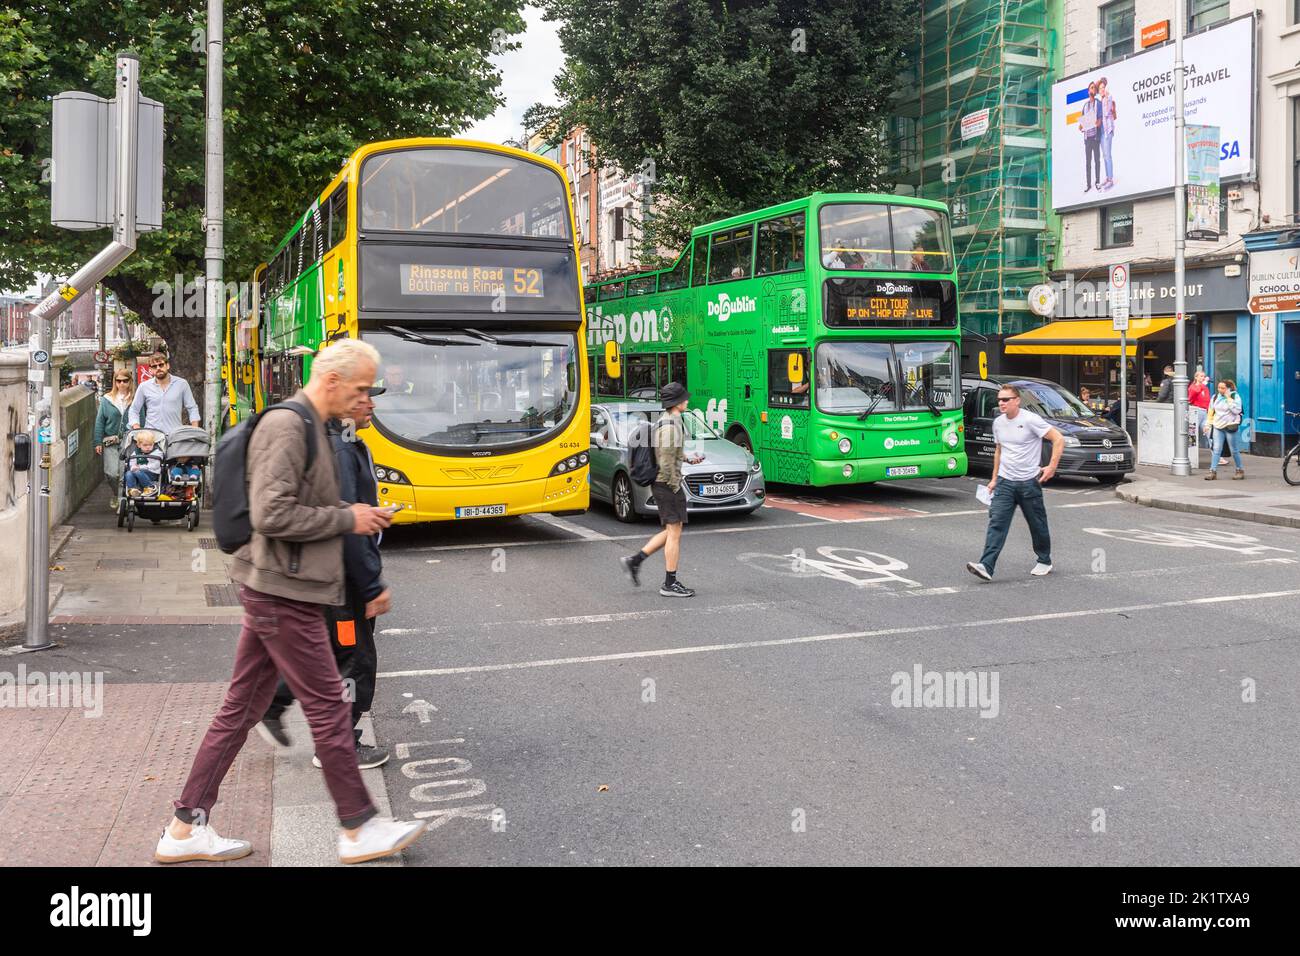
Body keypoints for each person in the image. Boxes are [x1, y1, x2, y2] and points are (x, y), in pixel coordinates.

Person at [155, 338, 428, 865]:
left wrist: (358, 515)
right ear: (331, 382)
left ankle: (184, 827)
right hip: (284, 590)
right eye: (360, 389)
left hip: (278, 586)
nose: (365, 399)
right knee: (328, 706)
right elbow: (272, 515)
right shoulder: (289, 426)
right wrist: (349, 518)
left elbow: (302, 506)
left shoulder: (318, 428)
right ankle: (358, 827)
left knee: (241, 710)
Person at [258, 386, 393, 770]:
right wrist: (371, 586)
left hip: (325, 572)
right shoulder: (340, 447)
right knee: (354, 659)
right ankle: (338, 746)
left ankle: (272, 702)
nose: (373, 404)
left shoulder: (336, 440)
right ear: (347, 403)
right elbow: (348, 522)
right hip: (343, 580)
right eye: (366, 396)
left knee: (325, 651)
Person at [967, 384, 1065, 581]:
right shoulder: (998, 423)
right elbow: (999, 450)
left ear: (1017, 401)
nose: (1001, 403)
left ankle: (1044, 559)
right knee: (997, 523)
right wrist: (994, 479)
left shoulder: (1030, 420)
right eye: (999, 400)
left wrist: (1051, 467)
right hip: (1005, 482)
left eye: (1006, 400)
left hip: (1029, 482)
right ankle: (986, 565)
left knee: (1037, 524)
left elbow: (1058, 438)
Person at [619, 381, 704, 598]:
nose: (687, 400)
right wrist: (675, 485)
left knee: (671, 531)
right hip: (667, 484)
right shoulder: (669, 426)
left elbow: (669, 452)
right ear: (677, 402)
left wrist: (687, 459)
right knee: (674, 533)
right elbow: (665, 460)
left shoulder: (669, 421)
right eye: (684, 398)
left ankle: (635, 561)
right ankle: (669, 583)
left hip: (665, 483)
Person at [128, 352, 201, 435]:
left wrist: (195, 430)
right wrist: (138, 430)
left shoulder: (182, 384)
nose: (158, 368)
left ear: (167, 365)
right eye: (154, 366)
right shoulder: (144, 386)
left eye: (161, 365)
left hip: (174, 435)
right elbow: (134, 409)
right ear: (151, 370)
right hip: (151, 437)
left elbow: (192, 407)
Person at [94, 370, 135, 510]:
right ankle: (115, 493)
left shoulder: (135, 398)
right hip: (111, 441)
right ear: (115, 382)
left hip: (130, 442)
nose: (122, 384)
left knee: (124, 473)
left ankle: (121, 501)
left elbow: (142, 418)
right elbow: (100, 421)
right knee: (111, 473)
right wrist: (97, 442)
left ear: (130, 382)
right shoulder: (107, 399)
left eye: (125, 381)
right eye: (118, 381)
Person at [1203, 379, 1245, 480]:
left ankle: (1240, 470)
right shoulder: (1215, 397)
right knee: (1216, 449)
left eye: (1223, 388)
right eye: (1219, 388)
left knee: (1234, 450)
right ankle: (1212, 471)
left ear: (1229, 389)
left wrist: (1228, 398)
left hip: (1230, 426)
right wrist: (1207, 425)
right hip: (1218, 426)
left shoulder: (1235, 396)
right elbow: (1211, 412)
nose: (1220, 390)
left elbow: (1236, 410)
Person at [123, 431, 163, 498]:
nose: (148, 447)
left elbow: (155, 465)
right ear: (139, 445)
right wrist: (133, 467)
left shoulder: (157, 452)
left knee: (137, 471)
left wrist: (140, 467)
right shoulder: (136, 452)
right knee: (128, 473)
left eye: (150, 445)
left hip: (152, 473)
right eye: (145, 445)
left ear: (153, 444)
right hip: (138, 473)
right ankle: (133, 490)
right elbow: (132, 462)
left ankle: (150, 487)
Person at [1079, 81, 1103, 193]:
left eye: (1094, 88)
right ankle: (1088, 184)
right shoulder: (1085, 105)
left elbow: (1100, 119)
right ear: (1088, 91)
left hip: (1095, 137)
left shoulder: (1098, 103)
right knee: (1088, 162)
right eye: (1091, 88)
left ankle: (1097, 182)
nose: (1093, 90)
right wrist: (1081, 127)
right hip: (1087, 138)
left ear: (1095, 91)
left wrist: (1097, 123)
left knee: (1097, 161)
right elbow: (1082, 122)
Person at [1098, 76, 1117, 190]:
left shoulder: (1108, 98)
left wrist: (1107, 96)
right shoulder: (1100, 101)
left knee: (1108, 155)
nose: (1102, 90)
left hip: (1107, 131)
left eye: (1103, 88)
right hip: (1101, 132)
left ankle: (1110, 179)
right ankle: (1107, 177)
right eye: (1100, 88)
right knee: (1104, 155)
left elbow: (1107, 111)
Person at [1188, 370, 1211, 448]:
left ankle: (1217, 456)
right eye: (1201, 376)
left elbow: (1207, 400)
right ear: (1196, 377)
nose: (1203, 378)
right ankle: (1190, 453)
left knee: (1209, 433)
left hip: (1205, 412)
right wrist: (1202, 385)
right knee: (1192, 433)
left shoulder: (1205, 388)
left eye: (1204, 376)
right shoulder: (1193, 387)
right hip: (1196, 411)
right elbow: (1191, 398)